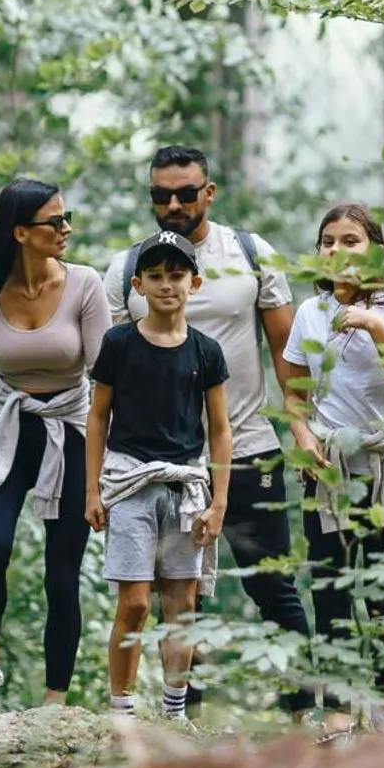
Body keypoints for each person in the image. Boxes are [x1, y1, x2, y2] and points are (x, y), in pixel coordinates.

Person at [103, 145, 313, 717]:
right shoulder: (127, 269)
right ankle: (184, 720)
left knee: (272, 583)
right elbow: (113, 377)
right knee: (179, 595)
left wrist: (302, 429)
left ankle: (307, 714)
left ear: (209, 193)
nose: (173, 204)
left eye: (185, 193)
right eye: (161, 194)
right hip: (158, 464)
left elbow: (286, 352)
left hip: (246, 449)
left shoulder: (251, 254)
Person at [0, 177, 108, 714]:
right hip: (9, 427)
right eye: (55, 221)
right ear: (20, 232)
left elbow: (105, 378)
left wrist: (109, 462)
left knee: (62, 572)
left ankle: (55, 700)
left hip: (71, 430)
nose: (66, 228)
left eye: (66, 217)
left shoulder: (84, 284)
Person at [281, 202, 384, 726]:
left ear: (376, 251)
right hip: (329, 468)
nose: (337, 250)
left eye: (350, 240)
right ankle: (340, 716)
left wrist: (374, 326)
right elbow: (294, 391)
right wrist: (302, 437)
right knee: (331, 590)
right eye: (328, 241)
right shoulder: (310, 312)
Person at [85, 231, 232, 721]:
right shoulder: (119, 343)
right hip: (130, 483)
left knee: (181, 606)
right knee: (134, 604)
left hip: (185, 486)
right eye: (155, 276)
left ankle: (174, 713)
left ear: (195, 283)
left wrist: (219, 502)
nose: (166, 285)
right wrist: (92, 491)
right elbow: (97, 416)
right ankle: (121, 711)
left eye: (176, 275)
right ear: (138, 285)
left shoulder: (206, 351)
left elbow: (220, 428)